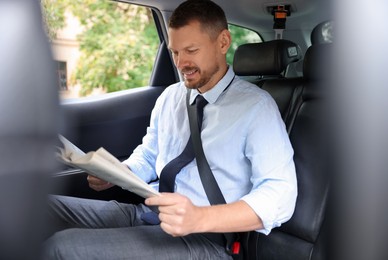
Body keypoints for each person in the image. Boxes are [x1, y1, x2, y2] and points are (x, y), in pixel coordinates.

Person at [43, 0, 297, 259]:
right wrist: (119, 172)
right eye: (176, 52)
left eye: (191, 50)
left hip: (205, 240)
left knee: (62, 248)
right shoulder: (171, 97)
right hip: (149, 214)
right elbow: (150, 154)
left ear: (223, 42)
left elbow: (280, 195)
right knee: (35, 208)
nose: (181, 62)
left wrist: (198, 218)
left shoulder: (256, 107)